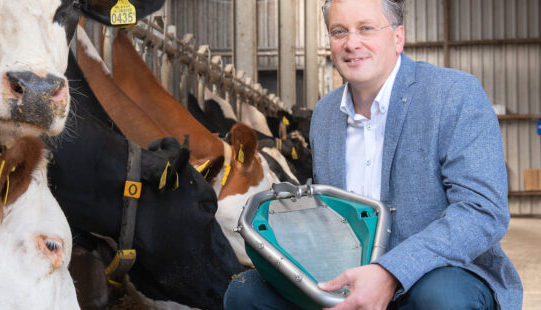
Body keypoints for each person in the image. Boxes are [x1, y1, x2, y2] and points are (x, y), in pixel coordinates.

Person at [224, 0, 523, 309]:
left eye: (366, 28)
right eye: (339, 31)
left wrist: (389, 272)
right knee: (245, 292)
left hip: (435, 272)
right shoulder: (326, 113)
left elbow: (483, 211)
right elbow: (331, 214)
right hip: (345, 272)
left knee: (441, 298)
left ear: (398, 37)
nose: (352, 43)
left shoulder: (454, 95)